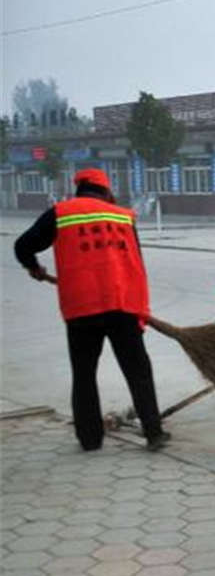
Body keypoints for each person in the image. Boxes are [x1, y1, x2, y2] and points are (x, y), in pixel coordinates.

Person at [13, 168, 169, 451]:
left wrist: (34, 267)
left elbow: (22, 246)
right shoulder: (123, 216)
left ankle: (90, 439)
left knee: (84, 374)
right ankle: (154, 433)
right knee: (138, 371)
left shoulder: (60, 213)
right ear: (106, 190)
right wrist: (141, 309)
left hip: (81, 308)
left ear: (79, 189)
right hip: (122, 305)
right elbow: (137, 265)